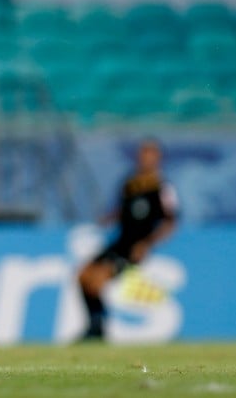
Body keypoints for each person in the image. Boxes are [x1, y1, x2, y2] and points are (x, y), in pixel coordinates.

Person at [77, 138, 179, 341]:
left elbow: (171, 222)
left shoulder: (163, 188)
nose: (145, 158)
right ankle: (95, 324)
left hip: (135, 248)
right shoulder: (130, 184)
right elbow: (124, 211)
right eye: (143, 154)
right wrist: (109, 218)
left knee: (97, 280)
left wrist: (148, 243)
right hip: (119, 242)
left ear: (158, 159)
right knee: (82, 276)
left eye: (150, 154)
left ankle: (98, 327)